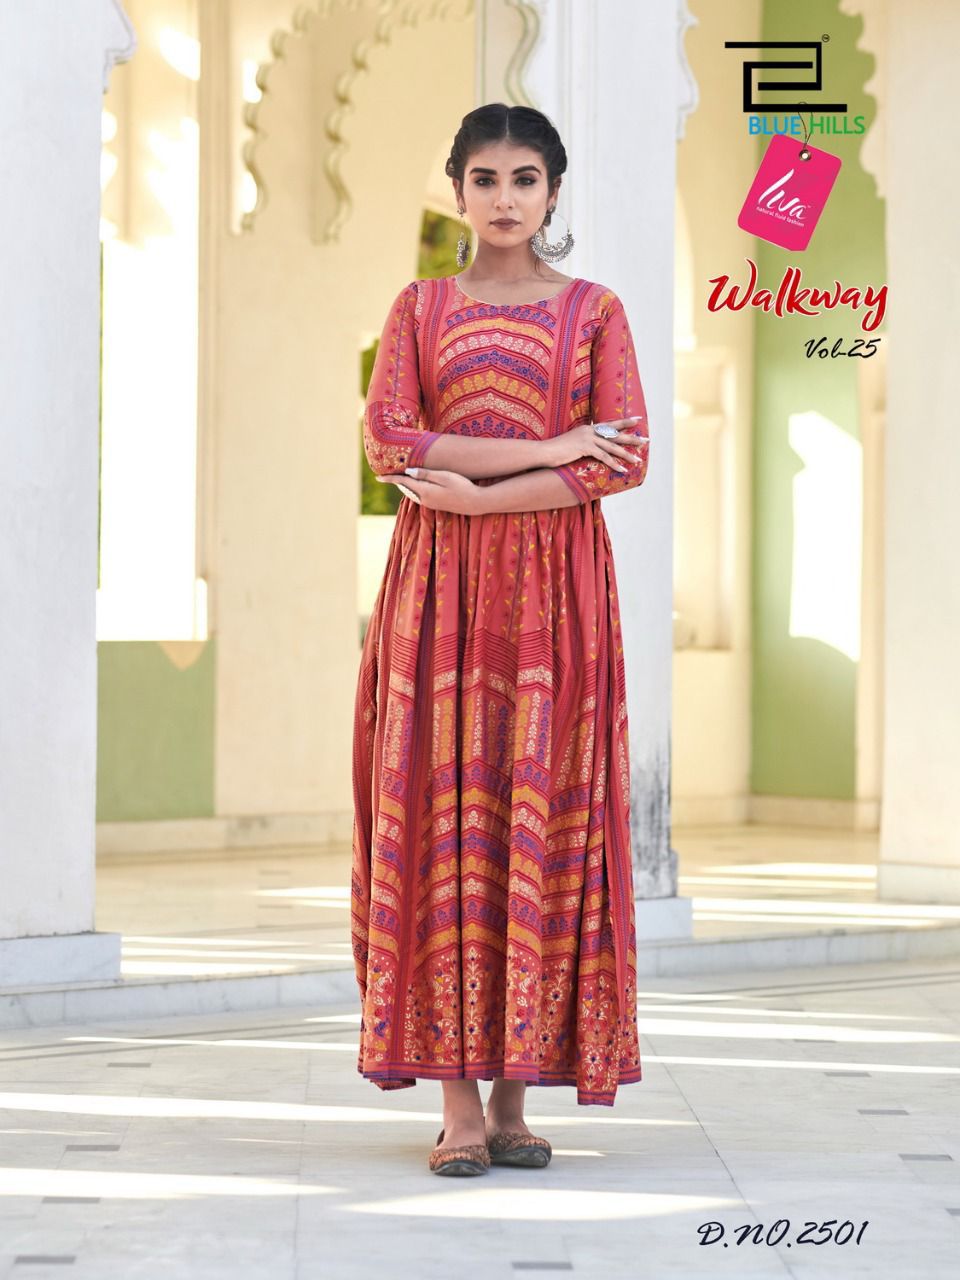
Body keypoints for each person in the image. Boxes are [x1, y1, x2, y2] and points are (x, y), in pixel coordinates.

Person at [350, 103, 650, 1177]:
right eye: (486, 178)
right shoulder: (419, 308)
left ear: (553, 191)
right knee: (441, 813)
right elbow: (391, 439)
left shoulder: (597, 312)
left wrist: (483, 494)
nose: (506, 197)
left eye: (527, 178)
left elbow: (623, 458)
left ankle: (517, 1097)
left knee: (543, 810)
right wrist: (555, 446)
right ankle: (458, 1107)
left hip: (556, 598)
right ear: (458, 190)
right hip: (437, 595)